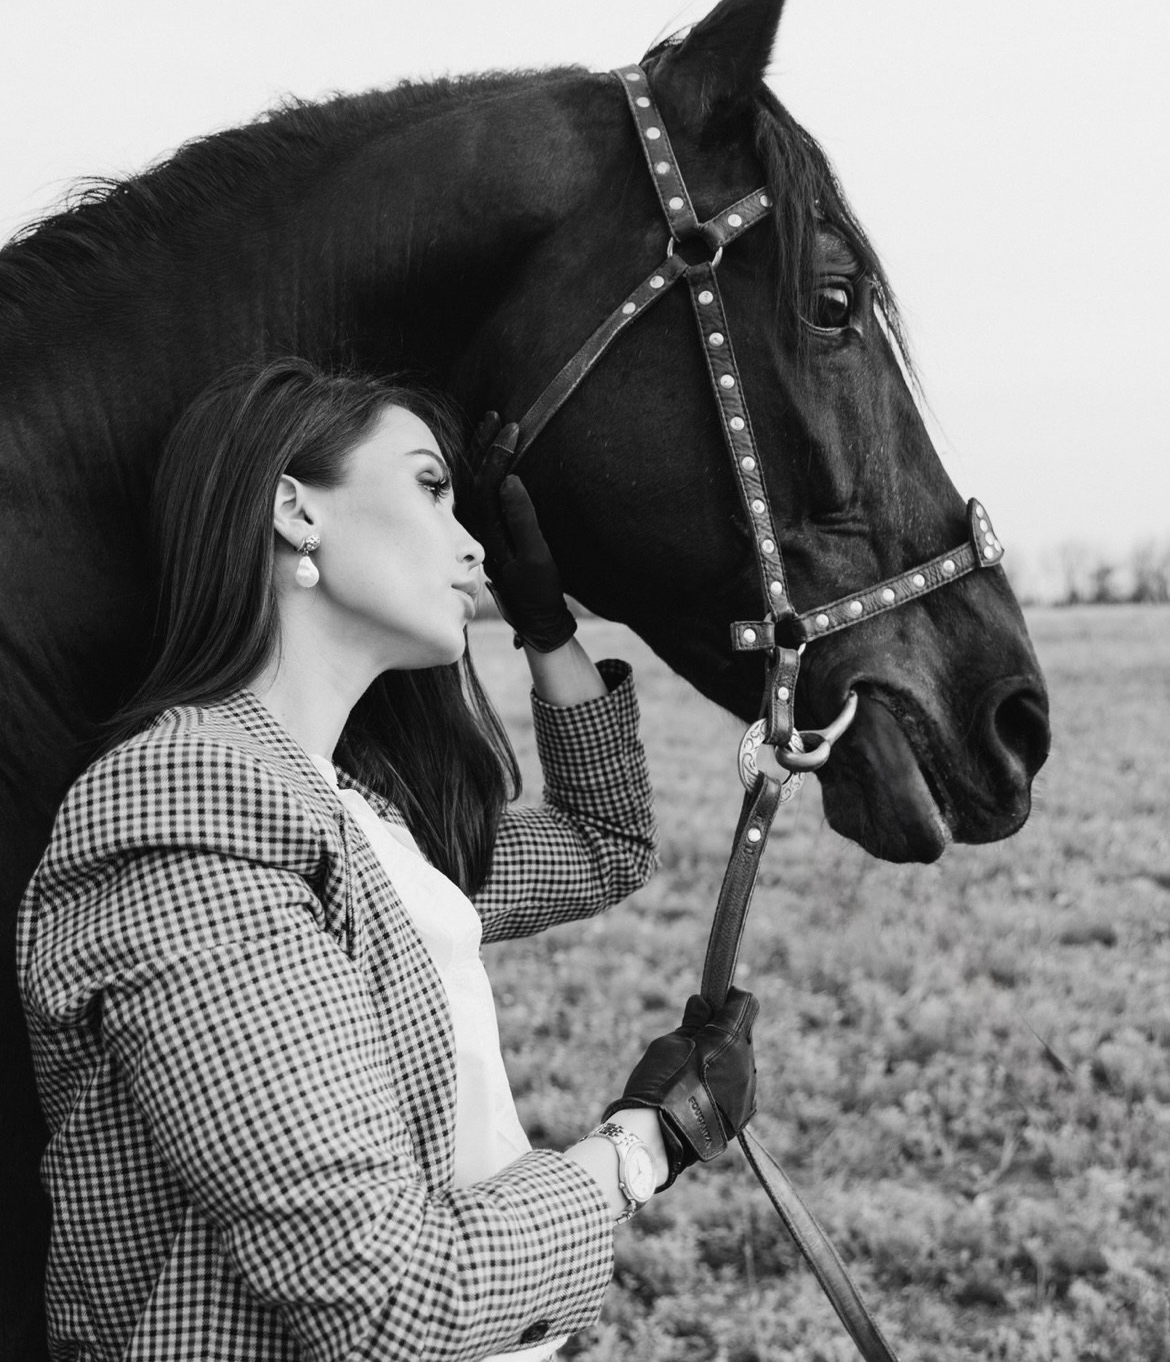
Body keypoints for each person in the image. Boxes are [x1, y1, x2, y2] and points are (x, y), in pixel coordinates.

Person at [18, 359, 758, 1362]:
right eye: (429, 485)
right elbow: (388, 1302)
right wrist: (644, 1144)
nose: (469, 545)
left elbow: (603, 840)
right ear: (294, 510)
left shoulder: (357, 813)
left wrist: (545, 623)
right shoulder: (190, 806)